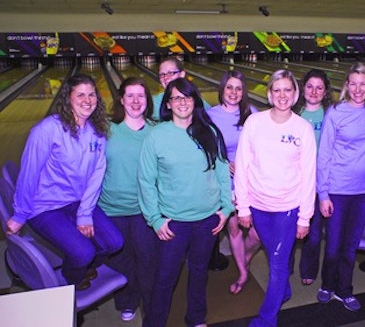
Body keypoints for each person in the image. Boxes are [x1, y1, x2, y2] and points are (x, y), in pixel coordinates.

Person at [6, 73, 123, 291]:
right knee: (83, 252)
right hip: (45, 207)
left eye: (91, 95)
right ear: (68, 98)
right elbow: (29, 174)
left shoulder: (97, 132)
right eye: (80, 95)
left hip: (77, 202)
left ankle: (82, 268)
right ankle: (72, 279)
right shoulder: (47, 130)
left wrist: (85, 213)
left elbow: (97, 176)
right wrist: (20, 213)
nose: (87, 100)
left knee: (114, 242)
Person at [138, 77, 234, 327]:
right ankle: (154, 323)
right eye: (176, 98)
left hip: (207, 220)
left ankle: (196, 318)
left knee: (199, 272)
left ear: (195, 101)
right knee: (165, 277)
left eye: (187, 96)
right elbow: (146, 181)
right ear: (168, 104)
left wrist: (226, 209)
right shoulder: (157, 136)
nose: (182, 102)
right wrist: (155, 219)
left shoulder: (210, 131)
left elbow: (223, 172)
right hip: (174, 224)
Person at [234, 69, 316, 327]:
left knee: (279, 264)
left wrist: (305, 217)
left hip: (288, 208)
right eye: (277, 90)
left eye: (288, 90)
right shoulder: (254, 123)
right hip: (258, 206)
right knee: (273, 255)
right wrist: (243, 207)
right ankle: (285, 291)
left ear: (295, 94)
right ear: (269, 94)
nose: (282, 95)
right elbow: (242, 165)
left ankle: (266, 320)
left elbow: (309, 174)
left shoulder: (302, 129)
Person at [316, 62, 365, 312]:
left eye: (363, 84)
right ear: (347, 85)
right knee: (334, 246)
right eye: (353, 83)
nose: (358, 89)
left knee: (351, 246)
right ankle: (327, 283)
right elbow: (323, 154)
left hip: (364, 191)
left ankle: (344, 289)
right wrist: (322, 194)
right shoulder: (336, 112)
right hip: (337, 190)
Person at [97, 77, 159, 322]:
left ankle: (151, 300)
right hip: (112, 208)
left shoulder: (157, 130)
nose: (135, 101)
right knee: (122, 259)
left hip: (146, 209)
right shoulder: (106, 130)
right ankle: (127, 301)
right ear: (121, 100)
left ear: (148, 101)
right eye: (130, 96)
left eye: (140, 96)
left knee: (148, 257)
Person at [206, 70, 261, 295]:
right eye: (229, 87)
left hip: (251, 179)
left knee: (258, 232)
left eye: (238, 88)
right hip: (226, 180)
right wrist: (223, 160)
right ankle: (243, 272)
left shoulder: (252, 113)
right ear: (222, 89)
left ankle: (245, 258)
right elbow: (205, 149)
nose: (234, 92)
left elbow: (262, 147)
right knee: (234, 227)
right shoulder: (210, 115)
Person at [294, 68, 334, 286]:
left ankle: (308, 269)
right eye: (310, 86)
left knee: (314, 233)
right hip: (293, 182)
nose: (314, 91)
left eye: (319, 87)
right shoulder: (293, 111)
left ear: (325, 90)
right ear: (303, 88)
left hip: (319, 184)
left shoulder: (331, 114)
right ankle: (285, 265)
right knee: (290, 229)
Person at [154, 56, 211, 120]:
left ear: (182, 74)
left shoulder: (196, 100)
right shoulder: (153, 103)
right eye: (162, 74)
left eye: (171, 73)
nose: (166, 78)